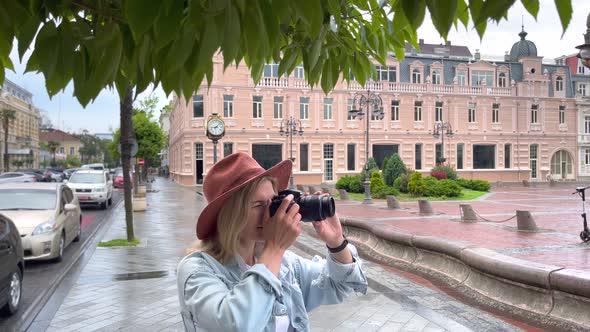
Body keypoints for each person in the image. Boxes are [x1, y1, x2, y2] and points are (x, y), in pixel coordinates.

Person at [177, 152, 368, 331]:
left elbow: (339, 286)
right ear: (229, 215)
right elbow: (239, 324)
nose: (272, 214)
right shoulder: (198, 271)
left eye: (274, 202)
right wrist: (274, 247)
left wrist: (336, 243)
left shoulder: (285, 265)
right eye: (259, 205)